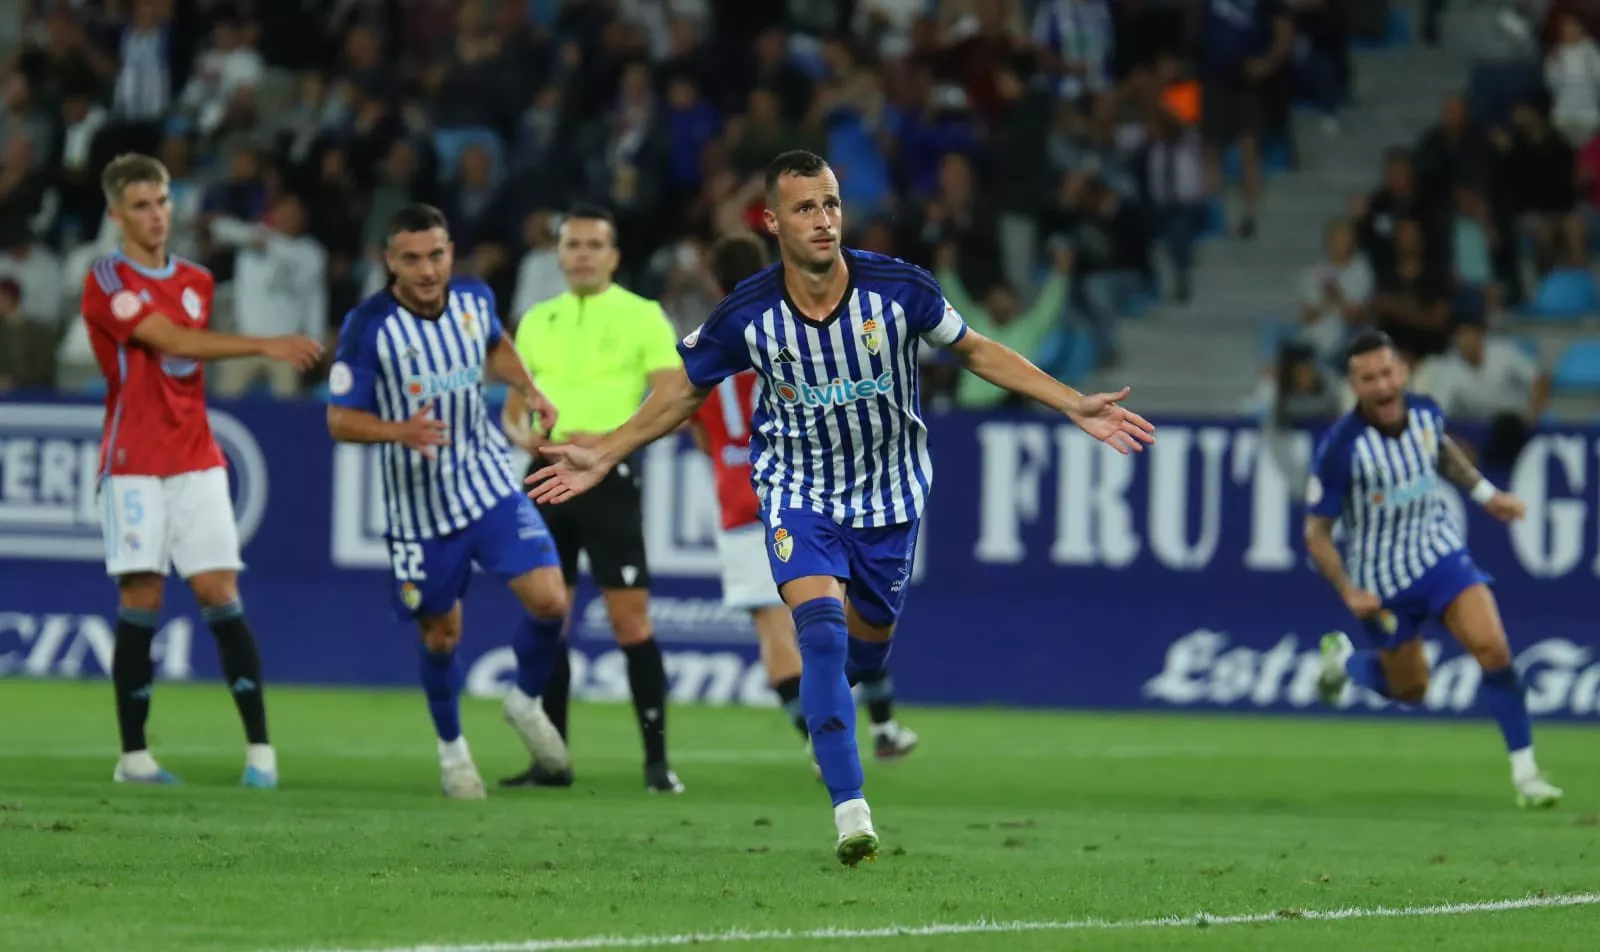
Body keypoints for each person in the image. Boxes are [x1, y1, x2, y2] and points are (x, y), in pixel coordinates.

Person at [528, 151, 1155, 864]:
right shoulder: (748, 312)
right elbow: (682, 392)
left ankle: (843, 714)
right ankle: (851, 811)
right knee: (818, 635)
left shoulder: (900, 289)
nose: (823, 220)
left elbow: (976, 352)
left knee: (865, 648)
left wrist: (1072, 401)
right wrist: (607, 449)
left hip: (890, 499)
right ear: (771, 221)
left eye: (830, 204)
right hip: (799, 494)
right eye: (804, 208)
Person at [81, 153, 323, 788]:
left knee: (219, 592)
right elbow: (176, 343)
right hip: (132, 463)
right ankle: (134, 759)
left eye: (161, 201)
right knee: (143, 596)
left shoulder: (196, 278)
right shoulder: (106, 280)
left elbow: (187, 359)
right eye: (140, 205)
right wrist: (265, 343)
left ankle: (261, 756)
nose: (156, 215)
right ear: (116, 214)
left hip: (197, 460)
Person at [325, 204, 572, 799]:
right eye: (411, 258)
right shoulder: (369, 326)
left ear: (449, 252)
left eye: (436, 255)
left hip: (486, 479)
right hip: (419, 509)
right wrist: (398, 431)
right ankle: (453, 754)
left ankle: (524, 701)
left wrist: (528, 387)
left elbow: (496, 344)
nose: (427, 269)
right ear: (390, 262)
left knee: (550, 600)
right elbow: (339, 420)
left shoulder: (474, 298)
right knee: (441, 635)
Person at [1305, 330, 1563, 809]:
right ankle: (1344, 662)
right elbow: (1316, 532)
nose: (1382, 386)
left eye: (1387, 373)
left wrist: (1489, 496)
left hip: (1438, 555)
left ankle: (1526, 775)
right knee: (1413, 687)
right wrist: (1346, 589)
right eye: (1368, 379)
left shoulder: (1425, 412)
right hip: (1378, 581)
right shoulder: (1341, 449)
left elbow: (1442, 454)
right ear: (1355, 385)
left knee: (1493, 648)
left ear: (1402, 372)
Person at [688, 232, 919, 766]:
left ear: (712, 280)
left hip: (736, 501)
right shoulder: (781, 329)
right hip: (800, 492)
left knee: (774, 633)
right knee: (836, 617)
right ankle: (881, 726)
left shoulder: (711, 342)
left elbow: (699, 432)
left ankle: (821, 744)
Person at [500, 204, 685, 795]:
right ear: (558, 254)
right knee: (549, 615)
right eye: (572, 244)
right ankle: (552, 762)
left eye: (593, 245)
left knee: (631, 622)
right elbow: (512, 407)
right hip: (545, 474)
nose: (581, 254)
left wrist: (606, 443)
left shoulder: (643, 316)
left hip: (609, 476)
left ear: (613, 256)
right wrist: (522, 435)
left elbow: (675, 397)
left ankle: (657, 764)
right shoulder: (535, 320)